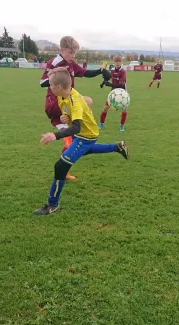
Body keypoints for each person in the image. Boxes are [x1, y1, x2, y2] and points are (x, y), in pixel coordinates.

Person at [34, 67, 129, 215]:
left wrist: (56, 135)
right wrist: (66, 117)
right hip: (85, 134)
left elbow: (77, 127)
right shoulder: (62, 94)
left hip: (86, 135)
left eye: (51, 85)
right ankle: (117, 147)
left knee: (60, 166)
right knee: (84, 151)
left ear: (59, 87)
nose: (49, 88)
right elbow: (75, 111)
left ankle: (52, 205)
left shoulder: (74, 100)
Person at [39, 35, 111, 181]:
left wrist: (100, 71)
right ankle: (79, 132)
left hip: (66, 104)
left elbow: (85, 73)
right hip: (55, 102)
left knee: (87, 104)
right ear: (62, 50)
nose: (73, 56)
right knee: (77, 125)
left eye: (75, 53)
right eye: (71, 52)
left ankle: (64, 168)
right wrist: (57, 76)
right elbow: (42, 82)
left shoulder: (71, 63)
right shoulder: (56, 62)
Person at [99, 55, 128, 131]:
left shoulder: (123, 71)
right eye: (116, 61)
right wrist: (103, 83)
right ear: (114, 62)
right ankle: (101, 124)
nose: (117, 63)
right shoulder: (112, 70)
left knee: (124, 110)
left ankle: (121, 126)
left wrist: (110, 84)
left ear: (121, 62)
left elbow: (121, 84)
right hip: (113, 92)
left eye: (119, 61)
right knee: (105, 108)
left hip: (122, 92)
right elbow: (108, 78)